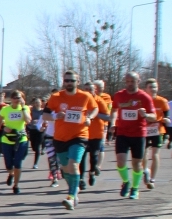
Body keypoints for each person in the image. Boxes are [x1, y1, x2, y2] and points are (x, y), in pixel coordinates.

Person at [45, 70, 98, 210]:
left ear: (77, 82)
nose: (69, 83)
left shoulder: (85, 96)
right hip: (60, 138)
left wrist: (89, 117)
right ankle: (74, 191)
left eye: (72, 80)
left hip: (79, 136)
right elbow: (45, 115)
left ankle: (71, 196)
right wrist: (55, 116)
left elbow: (95, 109)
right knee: (65, 169)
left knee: (73, 165)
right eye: (66, 80)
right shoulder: (56, 97)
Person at [110, 71, 156, 199]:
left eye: (132, 81)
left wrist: (145, 115)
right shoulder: (119, 95)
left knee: (137, 164)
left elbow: (154, 116)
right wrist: (113, 123)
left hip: (138, 134)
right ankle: (126, 181)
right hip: (122, 133)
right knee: (120, 162)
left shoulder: (144, 97)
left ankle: (135, 188)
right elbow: (114, 110)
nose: (129, 84)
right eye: (127, 81)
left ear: (138, 82)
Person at [0, 91, 31, 195]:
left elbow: (28, 121)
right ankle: (11, 174)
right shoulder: (5, 109)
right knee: (9, 164)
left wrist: (23, 108)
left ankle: (16, 185)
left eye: (18, 97)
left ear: (22, 98)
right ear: (11, 99)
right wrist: (3, 127)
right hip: (7, 139)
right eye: (14, 97)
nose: (16, 100)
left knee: (18, 163)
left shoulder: (25, 108)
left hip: (21, 139)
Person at [80, 82, 111, 189]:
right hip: (82, 133)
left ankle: (92, 172)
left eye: (90, 89)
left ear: (95, 91)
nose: (88, 91)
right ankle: (81, 179)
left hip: (96, 134)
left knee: (93, 156)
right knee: (81, 157)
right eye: (86, 89)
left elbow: (108, 117)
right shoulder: (81, 100)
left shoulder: (99, 101)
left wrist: (94, 113)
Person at [143, 78, 169, 188]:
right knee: (143, 153)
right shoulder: (142, 100)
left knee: (155, 154)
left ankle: (152, 179)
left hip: (157, 130)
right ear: (146, 89)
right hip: (144, 130)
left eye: (155, 87)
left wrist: (166, 119)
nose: (153, 89)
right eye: (150, 87)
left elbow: (166, 113)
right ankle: (145, 170)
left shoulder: (162, 101)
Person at [26, 97, 45, 169]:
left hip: (40, 130)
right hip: (32, 129)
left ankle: (35, 163)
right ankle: (38, 148)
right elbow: (28, 119)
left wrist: (42, 124)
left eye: (38, 102)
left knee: (37, 147)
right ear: (34, 103)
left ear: (41, 103)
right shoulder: (31, 111)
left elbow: (46, 120)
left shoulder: (43, 111)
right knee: (33, 146)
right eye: (36, 102)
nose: (37, 104)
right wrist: (31, 122)